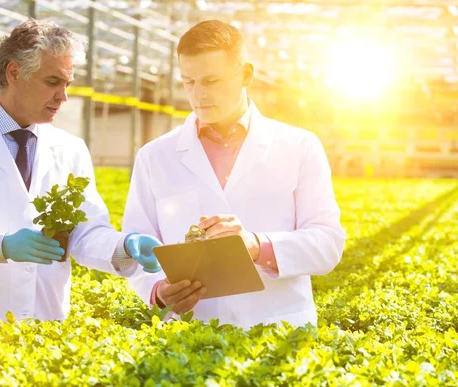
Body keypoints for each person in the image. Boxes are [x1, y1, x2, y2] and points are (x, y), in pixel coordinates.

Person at [0, 19, 161, 324]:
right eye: (53, 82)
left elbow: (85, 234)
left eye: (67, 84)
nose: (63, 97)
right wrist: (1, 247)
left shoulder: (70, 149)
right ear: (14, 73)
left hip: (48, 330)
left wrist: (125, 247)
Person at [122, 20, 345, 329]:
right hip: (189, 333)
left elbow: (327, 244)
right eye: (189, 82)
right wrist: (157, 290)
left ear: (246, 75)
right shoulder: (155, 156)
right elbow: (137, 247)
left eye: (212, 80)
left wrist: (256, 245)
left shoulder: (299, 146)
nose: (198, 94)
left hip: (278, 332)